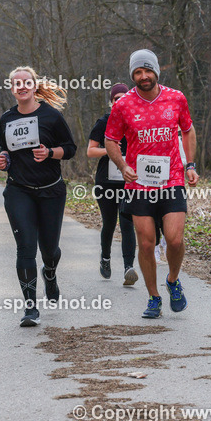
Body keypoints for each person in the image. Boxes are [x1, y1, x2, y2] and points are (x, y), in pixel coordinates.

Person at [104, 49, 198, 319]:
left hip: (172, 180)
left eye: (147, 71)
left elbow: (188, 130)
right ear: (132, 75)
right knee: (145, 245)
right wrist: (123, 166)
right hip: (139, 184)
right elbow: (110, 139)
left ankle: (172, 280)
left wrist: (190, 165)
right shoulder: (123, 105)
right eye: (137, 72)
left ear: (156, 71)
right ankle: (154, 297)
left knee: (175, 240)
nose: (143, 76)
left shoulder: (176, 98)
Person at [0, 66, 76, 327]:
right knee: (26, 248)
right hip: (19, 190)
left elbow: (71, 148)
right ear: (12, 89)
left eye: (26, 82)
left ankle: (49, 273)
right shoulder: (6, 118)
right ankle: (30, 308)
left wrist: (51, 153)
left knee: (49, 250)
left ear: (33, 85)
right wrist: (3, 159)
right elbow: (6, 150)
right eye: (16, 83)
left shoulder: (51, 116)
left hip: (51, 190)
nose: (21, 86)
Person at [87, 83, 137, 285]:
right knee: (109, 222)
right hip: (106, 182)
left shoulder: (135, 121)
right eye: (117, 99)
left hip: (128, 180)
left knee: (127, 223)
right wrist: (112, 152)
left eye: (124, 98)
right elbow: (90, 151)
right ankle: (105, 258)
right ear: (111, 102)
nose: (121, 101)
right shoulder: (104, 121)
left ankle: (128, 267)